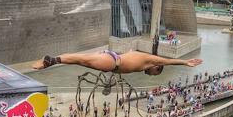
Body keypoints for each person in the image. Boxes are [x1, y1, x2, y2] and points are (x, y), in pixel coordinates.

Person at [33, 51, 203, 76]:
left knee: (81, 60)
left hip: (111, 59)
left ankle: (51, 61)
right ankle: (50, 61)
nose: (150, 75)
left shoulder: (141, 57)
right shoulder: (151, 60)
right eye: (154, 73)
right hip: (112, 63)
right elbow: (168, 61)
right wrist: (185, 62)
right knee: (81, 59)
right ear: (156, 67)